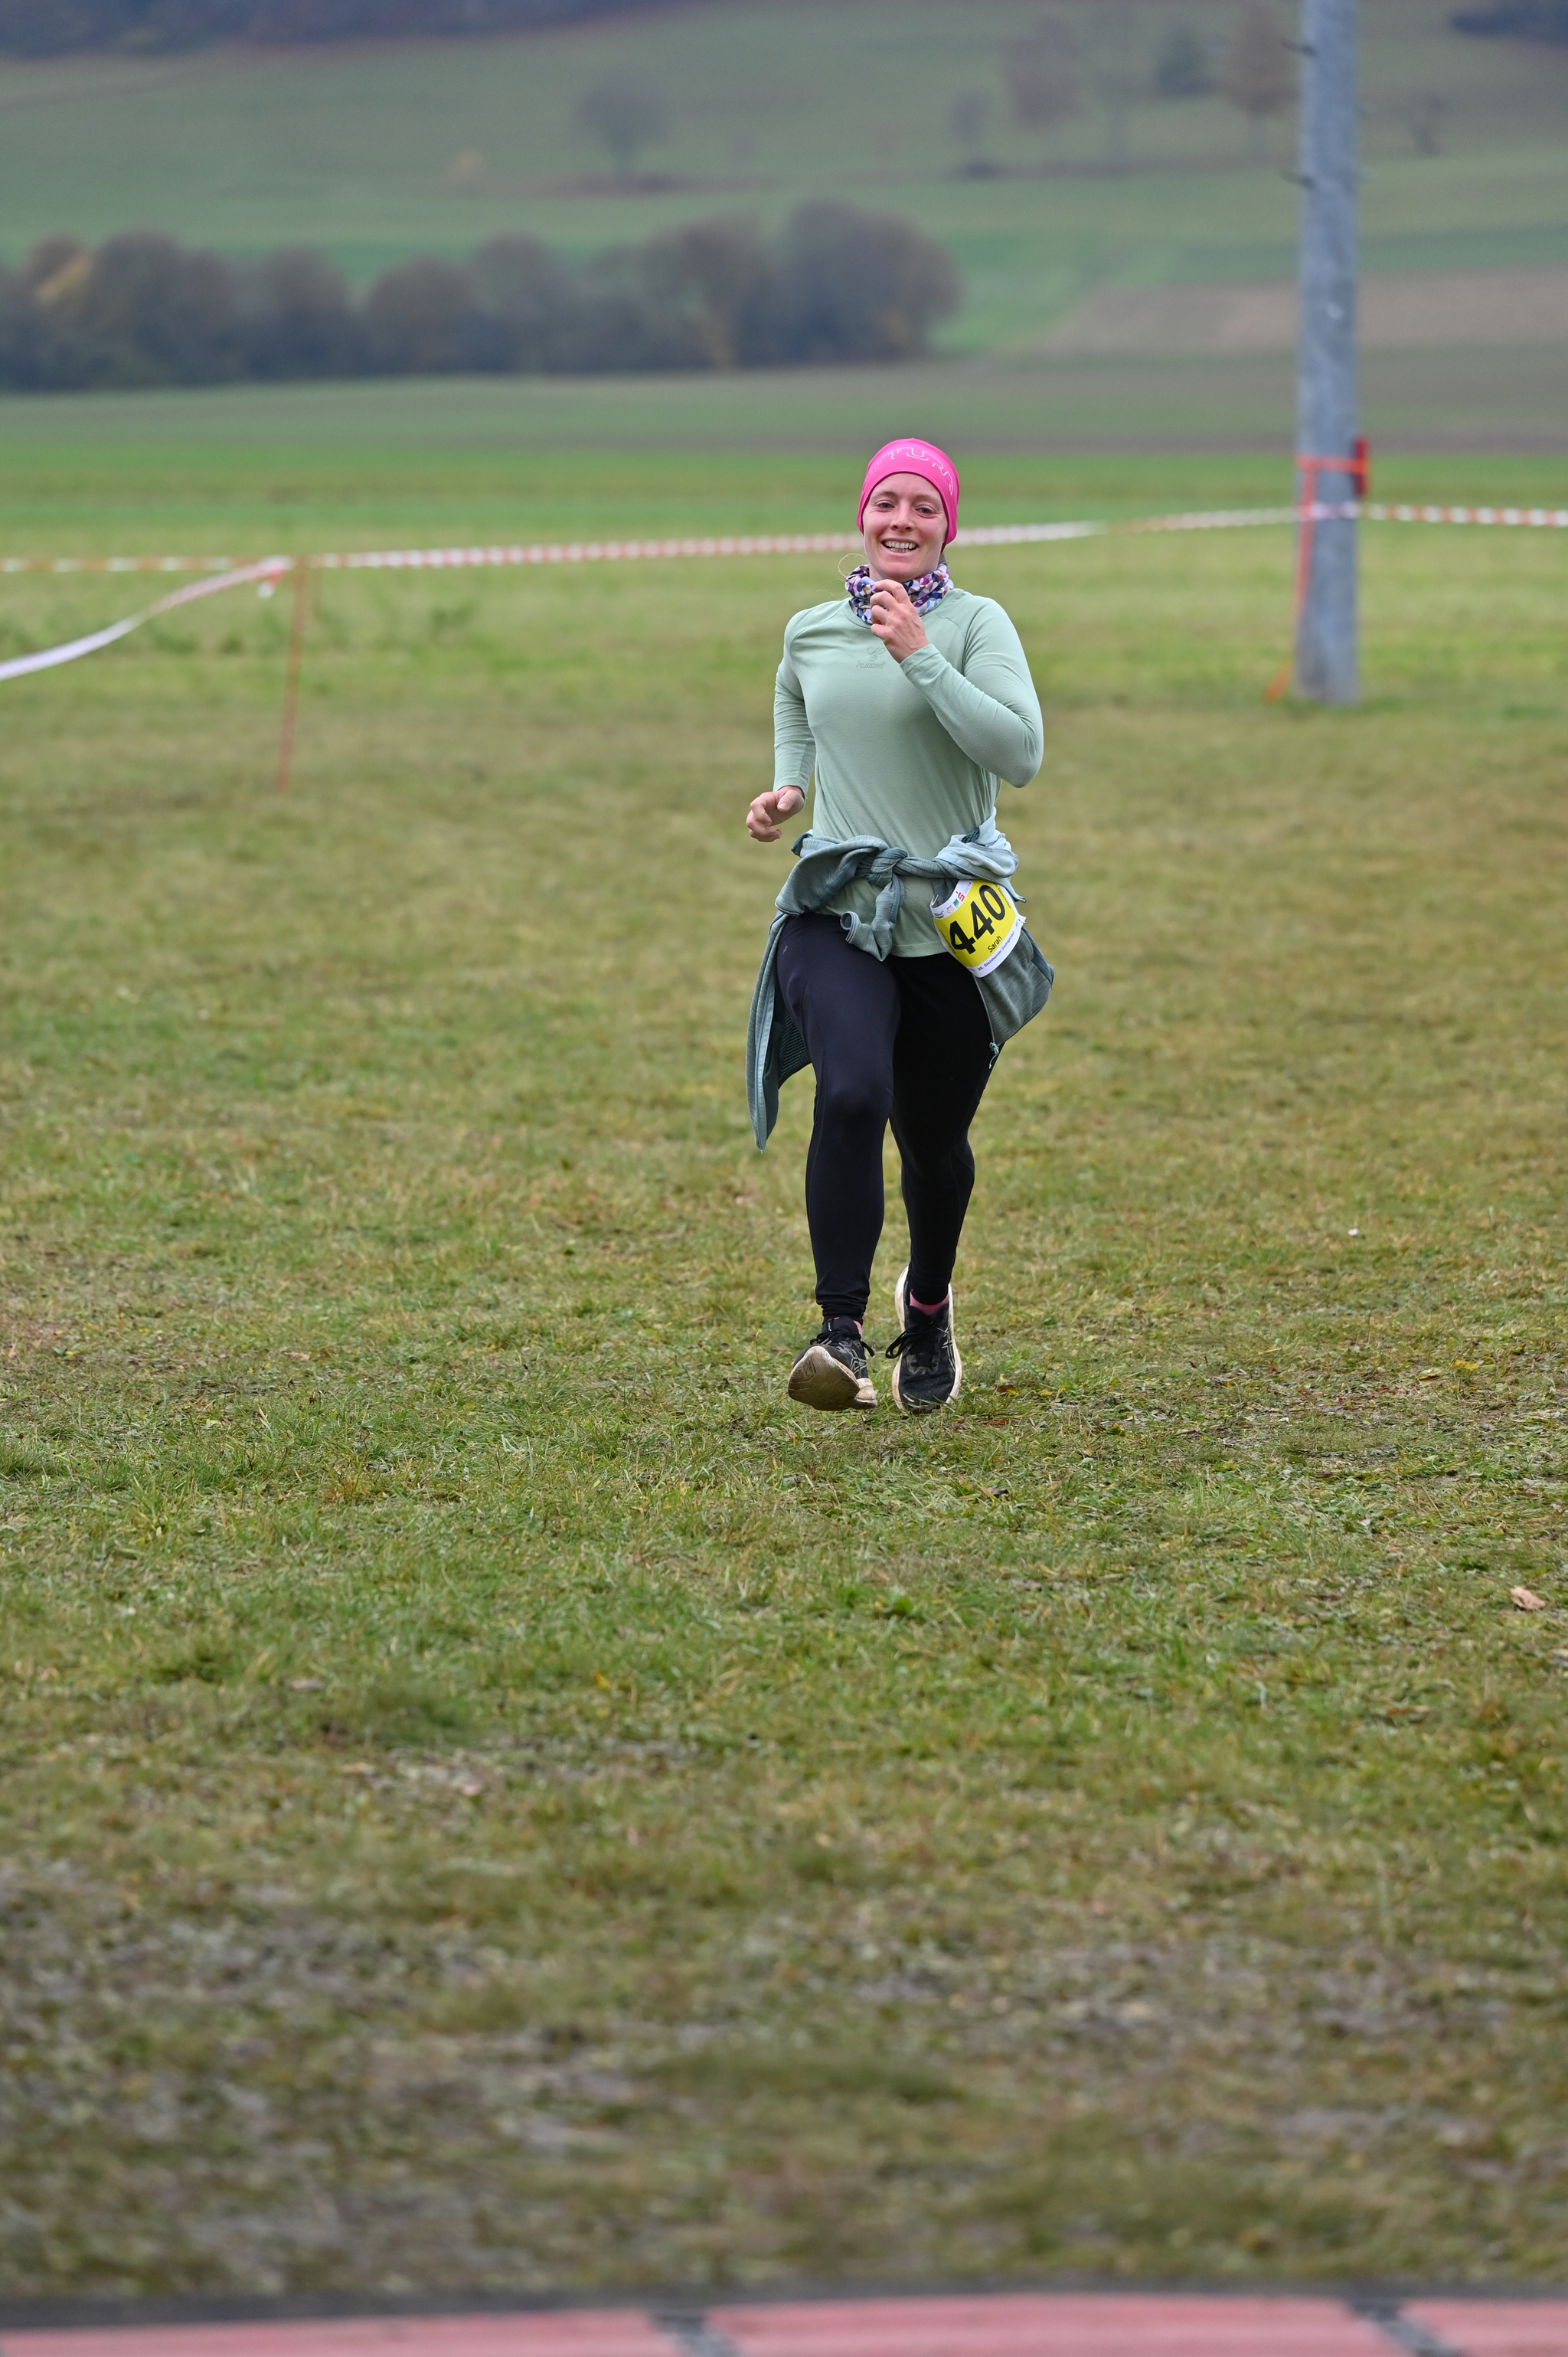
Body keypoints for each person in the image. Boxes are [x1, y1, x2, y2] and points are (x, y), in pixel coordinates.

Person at [745, 437, 1047, 1415]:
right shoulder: (811, 629)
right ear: (862, 517)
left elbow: (1018, 753)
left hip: (947, 925)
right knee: (851, 1093)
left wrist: (919, 656)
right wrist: (789, 785)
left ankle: (925, 1306)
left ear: (947, 525)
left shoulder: (974, 625)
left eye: (923, 506)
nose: (902, 521)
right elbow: (795, 696)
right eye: (886, 503)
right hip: (837, 908)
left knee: (932, 1143)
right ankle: (838, 1333)